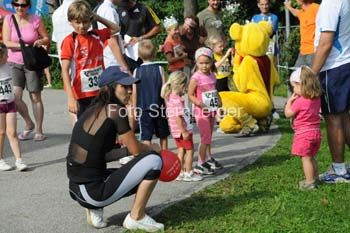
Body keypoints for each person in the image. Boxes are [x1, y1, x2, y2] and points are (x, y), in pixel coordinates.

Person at [67, 65, 164, 232]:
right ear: (111, 88)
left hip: (77, 188)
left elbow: (102, 155)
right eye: (124, 86)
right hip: (93, 192)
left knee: (141, 165)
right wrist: (151, 147)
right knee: (154, 160)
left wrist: (130, 151)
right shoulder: (116, 111)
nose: (130, 91)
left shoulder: (93, 109)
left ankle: (95, 209)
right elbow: (136, 150)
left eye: (130, 86)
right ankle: (136, 217)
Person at [312, 0, 350, 183]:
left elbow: (326, 43)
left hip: (333, 67)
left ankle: (339, 170)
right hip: (345, 64)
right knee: (344, 116)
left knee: (333, 118)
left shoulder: (331, 3)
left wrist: (312, 73)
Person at [60, 0, 119, 119]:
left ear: (90, 20)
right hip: (81, 93)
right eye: (77, 22)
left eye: (85, 22)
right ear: (70, 22)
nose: (82, 26)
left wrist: (98, 18)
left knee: (102, 123)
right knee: (86, 126)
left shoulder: (96, 35)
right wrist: (70, 97)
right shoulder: (70, 41)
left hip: (100, 90)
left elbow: (116, 28)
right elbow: (65, 71)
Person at [2, 0, 50, 141]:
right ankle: (29, 123)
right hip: (13, 62)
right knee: (15, 97)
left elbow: (47, 38)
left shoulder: (35, 19)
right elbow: (6, 42)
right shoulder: (8, 19)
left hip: (32, 63)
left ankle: (39, 130)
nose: (19, 7)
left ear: (29, 6)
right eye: (16, 4)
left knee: (35, 97)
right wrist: (24, 46)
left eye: (23, 5)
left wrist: (41, 41)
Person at [161, 71, 202, 182]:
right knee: (190, 151)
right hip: (182, 130)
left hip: (175, 130)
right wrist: (184, 131)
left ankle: (180, 172)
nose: (185, 89)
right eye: (185, 86)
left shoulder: (169, 96)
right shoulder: (178, 100)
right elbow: (178, 117)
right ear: (181, 85)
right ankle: (188, 172)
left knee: (181, 150)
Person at [284, 66, 322, 190]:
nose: (293, 90)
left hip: (304, 134)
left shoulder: (300, 101)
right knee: (311, 157)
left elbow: (288, 114)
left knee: (306, 159)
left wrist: (289, 102)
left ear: (299, 84)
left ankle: (309, 182)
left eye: (293, 87)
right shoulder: (316, 99)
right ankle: (315, 178)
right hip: (316, 132)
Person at [188, 47, 223, 175]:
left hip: (212, 109)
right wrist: (200, 104)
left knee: (209, 136)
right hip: (201, 111)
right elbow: (190, 94)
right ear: (196, 63)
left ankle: (208, 158)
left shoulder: (212, 75)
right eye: (201, 63)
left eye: (207, 63)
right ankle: (199, 163)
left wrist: (219, 101)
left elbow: (214, 90)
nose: (204, 66)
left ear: (212, 62)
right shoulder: (196, 77)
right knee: (205, 138)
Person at [133, 39, 170, 149]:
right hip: (159, 107)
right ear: (155, 53)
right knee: (163, 135)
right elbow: (165, 90)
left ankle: (147, 157)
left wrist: (135, 109)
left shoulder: (136, 71)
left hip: (143, 108)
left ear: (139, 55)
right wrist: (167, 107)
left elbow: (135, 92)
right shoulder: (160, 69)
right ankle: (165, 155)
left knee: (146, 137)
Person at [0, 43, 27, 171]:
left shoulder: (8, 66)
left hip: (10, 104)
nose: (8, 56)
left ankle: (19, 160)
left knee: (12, 132)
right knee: (1, 133)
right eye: (6, 54)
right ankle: (1, 160)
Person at [117, 0, 161, 72]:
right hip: (127, 53)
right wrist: (121, 42)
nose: (124, 6)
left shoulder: (144, 8)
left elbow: (158, 28)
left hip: (144, 53)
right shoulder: (119, 10)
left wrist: (141, 38)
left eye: (125, 3)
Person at [96, 0, 130, 72]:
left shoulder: (104, 8)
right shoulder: (109, 11)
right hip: (113, 60)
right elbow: (112, 41)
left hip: (109, 58)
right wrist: (125, 68)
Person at [285, 0, 319, 67]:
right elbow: (296, 13)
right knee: (296, 75)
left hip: (313, 52)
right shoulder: (302, 12)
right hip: (302, 52)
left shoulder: (316, 8)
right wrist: (288, 7)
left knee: (312, 77)